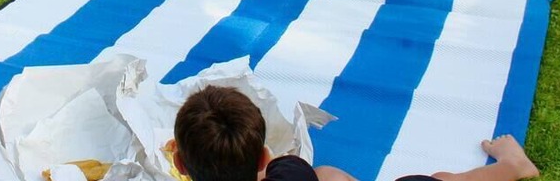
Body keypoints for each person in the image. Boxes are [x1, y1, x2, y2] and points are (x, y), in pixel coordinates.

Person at [171, 86, 539, 181]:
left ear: (179, 162)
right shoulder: (286, 171)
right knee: (328, 174)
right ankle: (512, 166)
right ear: (265, 156)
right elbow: (295, 169)